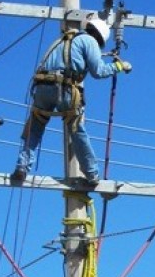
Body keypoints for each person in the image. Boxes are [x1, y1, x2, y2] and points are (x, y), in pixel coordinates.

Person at [12, 18, 132, 182]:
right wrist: (119, 66)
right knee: (76, 129)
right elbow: (99, 71)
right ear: (100, 37)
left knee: (34, 127)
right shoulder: (89, 41)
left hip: (41, 86)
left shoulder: (62, 41)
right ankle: (92, 173)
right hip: (65, 87)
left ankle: (22, 167)